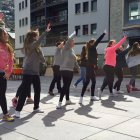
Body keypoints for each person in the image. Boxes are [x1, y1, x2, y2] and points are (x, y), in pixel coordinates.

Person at [14, 23, 51, 118]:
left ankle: (36, 107)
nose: (38, 36)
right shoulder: (30, 45)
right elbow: (38, 42)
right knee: (25, 91)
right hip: (28, 70)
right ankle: (18, 111)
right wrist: (45, 32)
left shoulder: (37, 47)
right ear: (34, 37)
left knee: (37, 90)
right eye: (37, 35)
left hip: (35, 71)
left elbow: (41, 56)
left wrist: (44, 62)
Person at [79, 30, 106, 104]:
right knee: (93, 81)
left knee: (87, 82)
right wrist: (103, 34)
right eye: (94, 43)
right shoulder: (92, 47)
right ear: (92, 43)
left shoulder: (90, 49)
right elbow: (98, 41)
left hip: (89, 67)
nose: (96, 44)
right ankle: (92, 96)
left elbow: (93, 58)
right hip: (90, 67)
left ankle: (81, 98)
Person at [98, 35, 127, 99]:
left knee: (108, 80)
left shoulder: (110, 50)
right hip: (109, 67)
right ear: (111, 44)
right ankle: (107, 92)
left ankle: (101, 90)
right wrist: (124, 38)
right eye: (114, 43)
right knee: (110, 80)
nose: (115, 44)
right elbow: (119, 44)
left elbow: (106, 57)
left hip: (109, 67)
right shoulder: (111, 49)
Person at [56, 31, 80, 109]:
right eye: (73, 42)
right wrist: (75, 32)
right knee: (65, 85)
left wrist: (78, 68)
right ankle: (59, 102)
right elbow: (69, 38)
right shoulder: (66, 48)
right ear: (69, 43)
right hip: (64, 69)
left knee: (67, 86)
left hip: (70, 70)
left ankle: (67, 100)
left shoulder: (72, 51)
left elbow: (75, 60)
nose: (74, 43)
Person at [0, 27, 15, 122]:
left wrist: (9, 71)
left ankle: (5, 114)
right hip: (1, 72)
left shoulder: (8, 47)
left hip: (3, 74)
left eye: (7, 34)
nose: (7, 35)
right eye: (5, 34)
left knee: (2, 94)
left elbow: (10, 61)